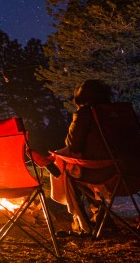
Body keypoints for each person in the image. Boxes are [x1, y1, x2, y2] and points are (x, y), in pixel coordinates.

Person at [48, 79, 115, 234]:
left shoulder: (85, 114)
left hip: (100, 173)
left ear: (80, 98)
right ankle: (101, 215)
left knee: (69, 172)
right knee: (81, 171)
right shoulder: (120, 112)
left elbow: (72, 145)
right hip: (127, 171)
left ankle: (83, 224)